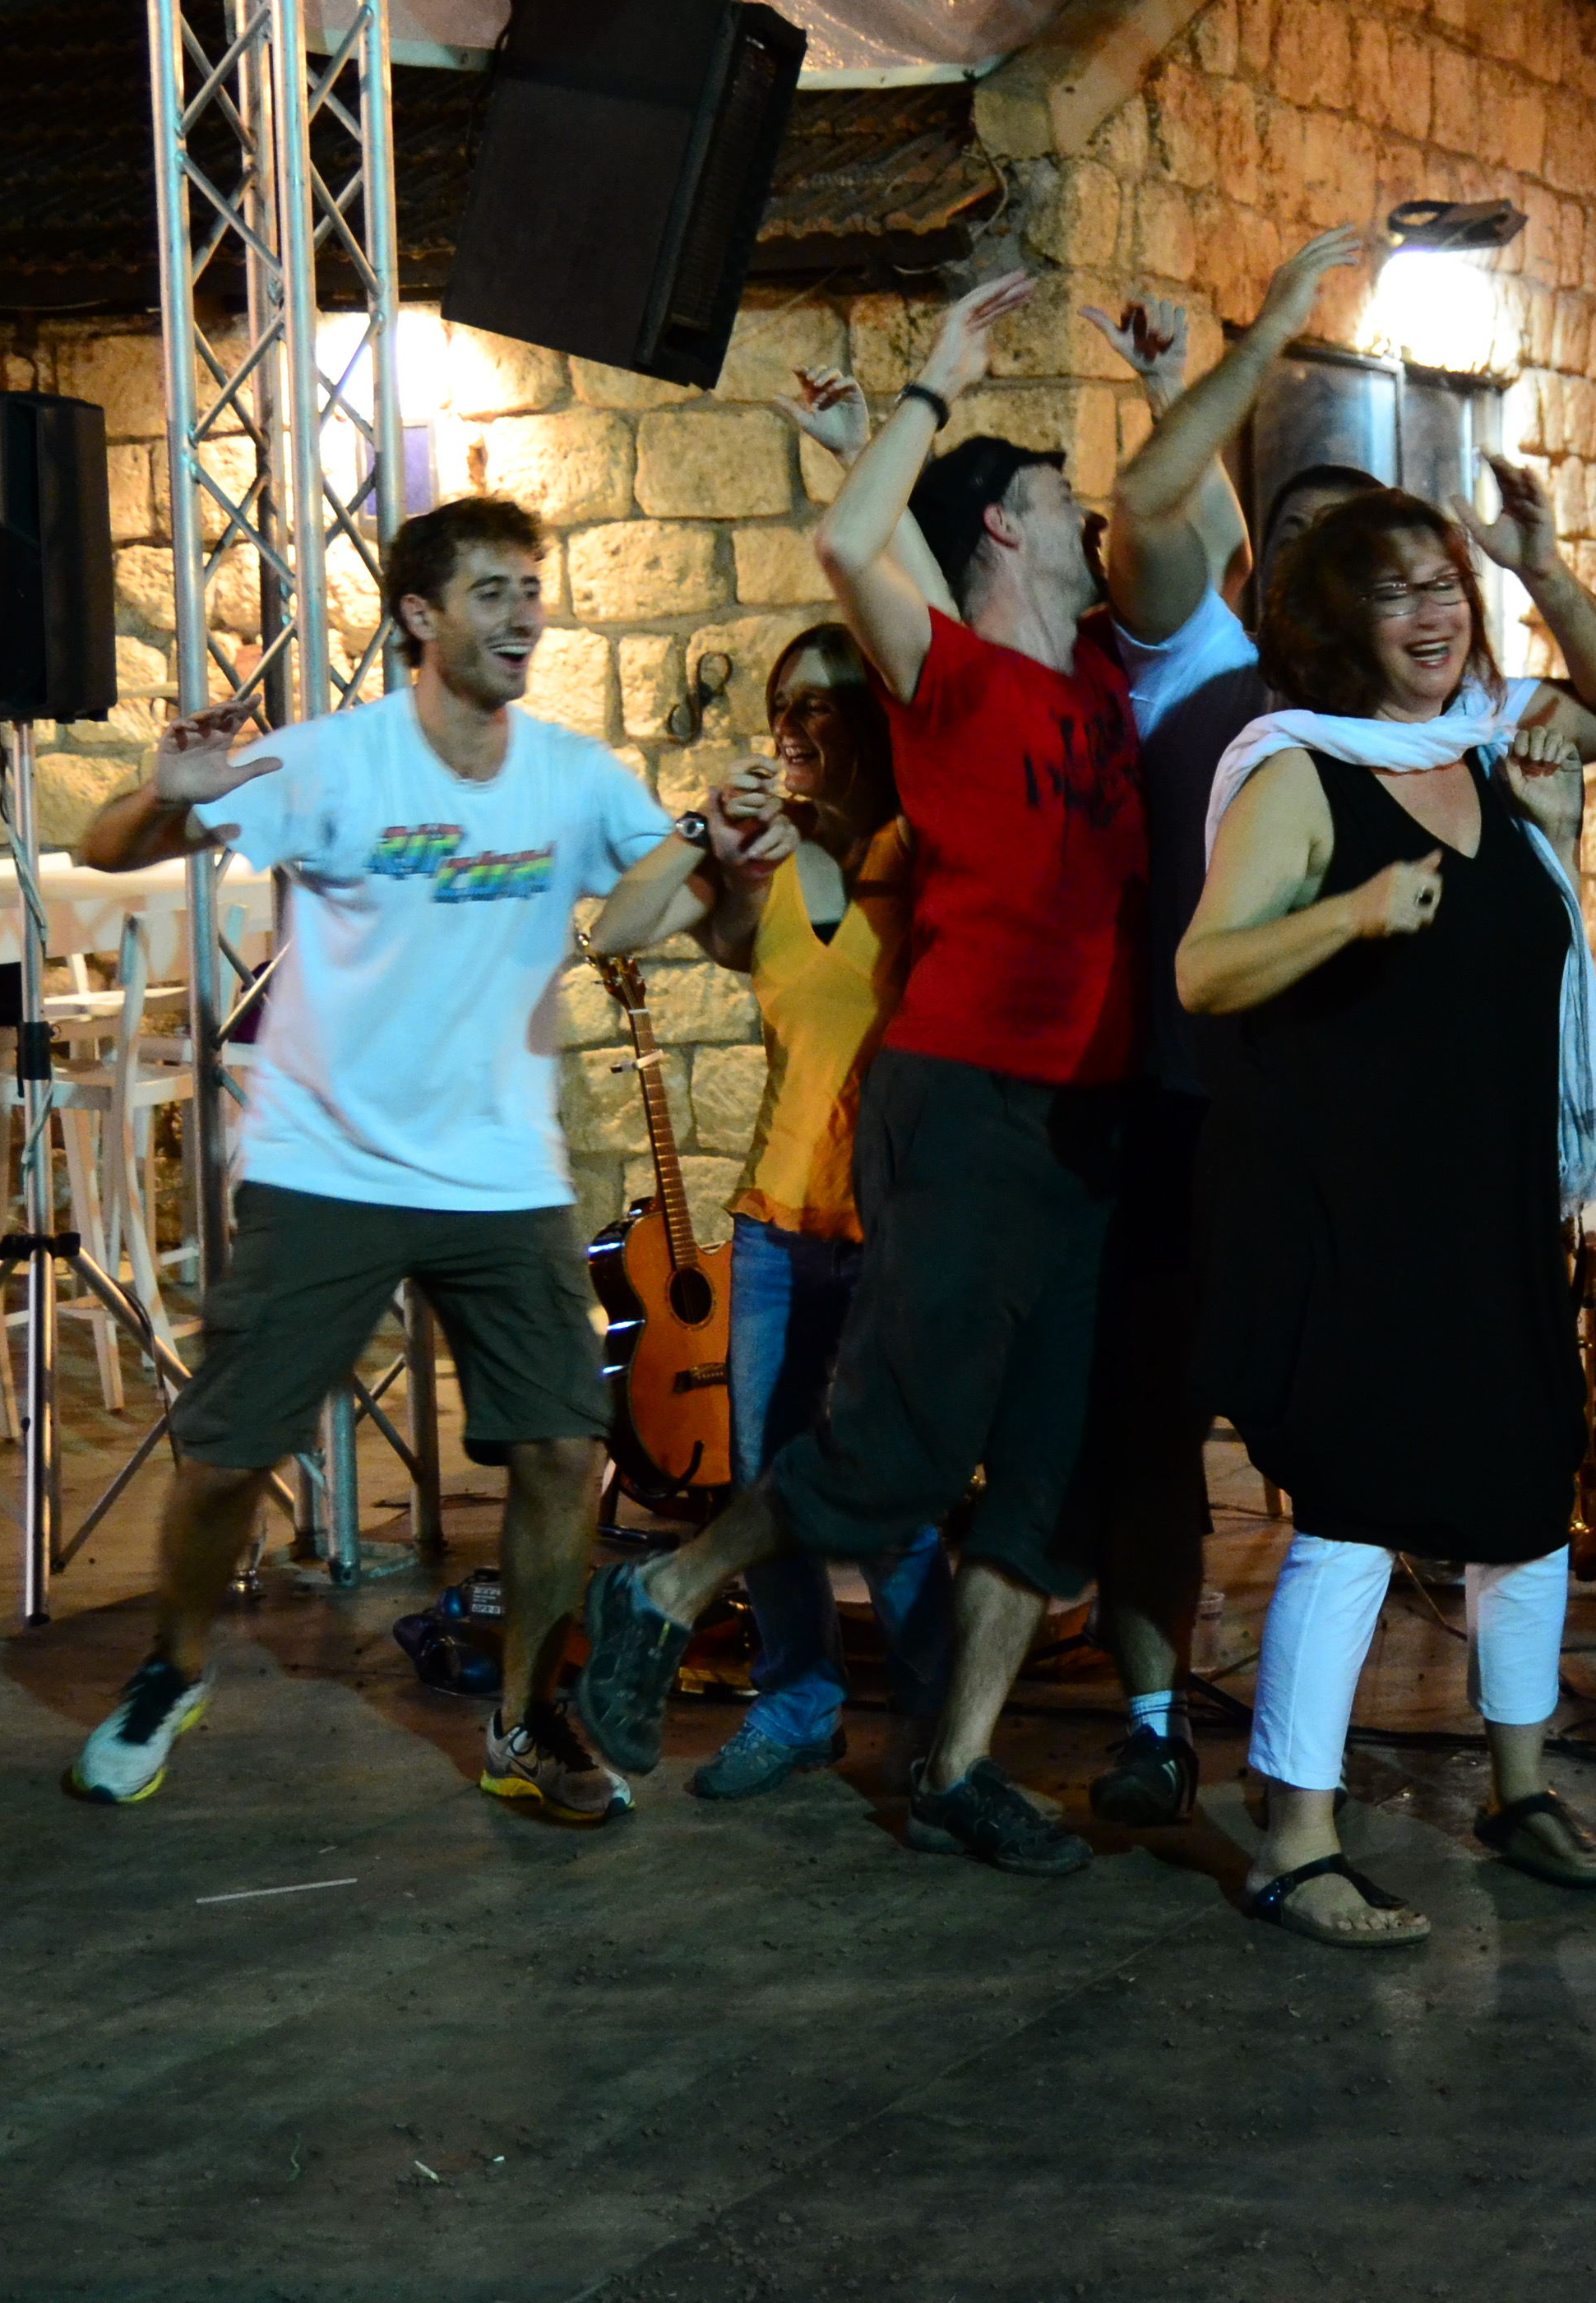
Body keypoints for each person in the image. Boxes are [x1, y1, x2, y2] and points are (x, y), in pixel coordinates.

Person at [568, 268, 1161, 1878]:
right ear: (1004, 531)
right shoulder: (952, 682)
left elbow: (1185, 547)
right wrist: (931, 386)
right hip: (965, 1103)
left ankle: (956, 1764)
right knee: (892, 1454)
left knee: (1040, 1485)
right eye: (1059, 499)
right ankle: (664, 1592)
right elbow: (856, 550)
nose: (1087, 518)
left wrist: (1169, 392)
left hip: (1089, 1128)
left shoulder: (1100, 675)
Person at [62, 494, 729, 1821]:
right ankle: (170, 1671)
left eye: (530, 588)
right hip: (329, 1167)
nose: (523, 615)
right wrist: (160, 795)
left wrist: (729, 847)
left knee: (560, 1449)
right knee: (227, 1453)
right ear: (420, 617)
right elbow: (106, 850)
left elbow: (682, 898)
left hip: (504, 1177)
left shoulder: (575, 778)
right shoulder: (333, 762)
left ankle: (526, 1722)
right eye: (492, 592)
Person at [1178, 489, 1596, 1947]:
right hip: (1354, 1209)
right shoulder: (1300, 772)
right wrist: (1352, 916)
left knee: (1526, 1495)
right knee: (1359, 1511)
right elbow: (1206, 971)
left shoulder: (1488, 747)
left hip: (1491, 1202)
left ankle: (1520, 1790)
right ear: (1335, 622)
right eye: (1394, 594)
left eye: (1446, 587)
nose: (1433, 616)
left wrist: (1544, 567)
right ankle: (1295, 1840)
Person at [1048, 229, 1377, 1831]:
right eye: (1286, 543)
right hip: (1170, 1115)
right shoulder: (1189, 666)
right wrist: (1220, 366)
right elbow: (1156, 510)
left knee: (1343, 1440)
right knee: (1153, 1436)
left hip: (1317, 1131)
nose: (1301, 567)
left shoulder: (1391, 718)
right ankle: (1155, 1720)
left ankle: (1320, 1740)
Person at [670, 608, 952, 1801]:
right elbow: (677, 930)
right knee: (763, 1474)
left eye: (820, 705)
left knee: (888, 1475)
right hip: (775, 1215)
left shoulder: (922, 850)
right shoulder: (773, 865)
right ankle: (797, 1702)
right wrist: (717, 839)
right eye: (782, 706)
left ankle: (942, 1717)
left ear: (877, 723)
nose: (793, 726)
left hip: (889, 1217)